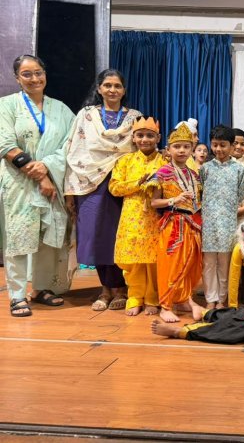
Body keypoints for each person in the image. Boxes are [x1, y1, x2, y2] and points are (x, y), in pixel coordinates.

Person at [0, 54, 75, 317]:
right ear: (17, 78)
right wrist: (40, 174)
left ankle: (42, 288)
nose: (34, 78)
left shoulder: (61, 109)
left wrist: (48, 168)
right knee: (19, 237)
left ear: (45, 74)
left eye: (38, 72)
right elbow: (5, 144)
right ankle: (17, 295)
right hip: (19, 183)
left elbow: (70, 145)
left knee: (48, 237)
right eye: (27, 74)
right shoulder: (6, 105)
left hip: (53, 183)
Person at [65, 69, 141, 311]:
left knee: (119, 236)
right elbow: (74, 150)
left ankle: (121, 288)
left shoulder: (135, 117)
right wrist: (70, 191)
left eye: (117, 86)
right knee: (96, 236)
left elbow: (141, 149)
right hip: (90, 183)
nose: (112, 90)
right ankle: (105, 289)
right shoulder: (86, 116)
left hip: (123, 184)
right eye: (107, 85)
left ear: (124, 90)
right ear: (99, 89)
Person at [109, 117, 165, 316]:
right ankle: (134, 296)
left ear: (158, 138)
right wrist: (137, 184)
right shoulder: (125, 161)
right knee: (132, 260)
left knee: (154, 260)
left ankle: (152, 298)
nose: (144, 139)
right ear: (133, 138)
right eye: (140, 135)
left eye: (150, 135)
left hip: (156, 217)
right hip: (131, 216)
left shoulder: (165, 161)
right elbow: (114, 187)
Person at [147, 125, 203, 322]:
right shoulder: (162, 173)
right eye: (177, 146)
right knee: (171, 266)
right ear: (168, 149)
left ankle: (186, 299)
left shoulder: (194, 175)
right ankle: (166, 306)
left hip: (193, 224)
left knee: (190, 266)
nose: (181, 151)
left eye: (186, 147)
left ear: (192, 149)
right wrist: (174, 200)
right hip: (173, 224)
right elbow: (154, 202)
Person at [199, 124, 244, 309]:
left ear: (232, 145)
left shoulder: (239, 169)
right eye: (215, 144)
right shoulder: (205, 168)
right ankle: (210, 299)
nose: (218, 149)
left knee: (225, 262)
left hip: (228, 222)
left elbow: (241, 195)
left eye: (223, 145)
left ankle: (221, 299)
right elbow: (200, 191)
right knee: (209, 262)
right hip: (208, 222)